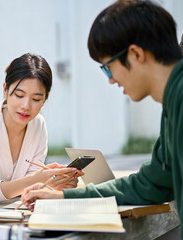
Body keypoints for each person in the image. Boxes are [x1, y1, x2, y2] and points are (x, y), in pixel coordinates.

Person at [20, 0, 183, 234]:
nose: (110, 79)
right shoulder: (172, 102)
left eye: (107, 67)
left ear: (136, 54)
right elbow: (152, 184)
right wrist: (64, 196)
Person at [0, 53, 83, 204]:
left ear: (45, 99)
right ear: (5, 91)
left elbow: (31, 189)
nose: (26, 106)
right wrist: (34, 180)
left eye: (36, 99)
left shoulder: (38, 125)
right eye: (19, 95)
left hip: (13, 216)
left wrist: (54, 184)